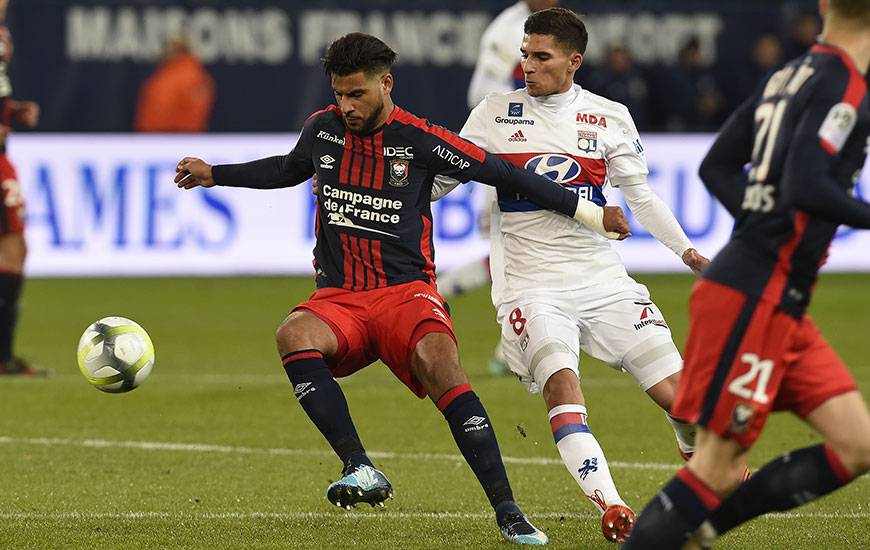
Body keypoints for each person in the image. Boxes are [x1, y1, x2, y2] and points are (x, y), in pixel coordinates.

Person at [174, 32, 630, 545]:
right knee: (293, 333)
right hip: (340, 297)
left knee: (443, 367)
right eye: (339, 94)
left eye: (357, 94)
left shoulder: (421, 140)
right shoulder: (322, 131)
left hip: (406, 294)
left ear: (385, 83)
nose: (345, 106)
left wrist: (592, 213)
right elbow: (286, 169)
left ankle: (508, 510)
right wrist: (216, 173)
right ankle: (359, 466)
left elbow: (505, 172)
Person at [433, 7, 710, 543]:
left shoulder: (609, 116)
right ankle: (611, 505)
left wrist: (687, 251)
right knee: (562, 385)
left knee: (683, 401)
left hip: (603, 280)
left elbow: (641, 198)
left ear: (573, 61)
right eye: (524, 56)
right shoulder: (493, 113)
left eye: (541, 57)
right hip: (530, 287)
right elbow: (443, 182)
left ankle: (697, 456)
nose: (528, 67)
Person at [624, 0, 870, 547]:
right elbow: (808, 185)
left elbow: (716, 165)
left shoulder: (788, 73)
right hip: (754, 293)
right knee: (716, 465)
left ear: (825, 6)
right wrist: (775, 226)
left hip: (777, 295)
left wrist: (762, 217)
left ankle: (701, 532)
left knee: (856, 444)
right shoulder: (846, 84)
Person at [440, 0, 559, 376]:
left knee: (520, 251)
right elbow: (483, 95)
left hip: (527, 148)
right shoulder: (509, 29)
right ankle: (436, 296)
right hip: (507, 152)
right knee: (517, 250)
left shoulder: (542, 23)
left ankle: (507, 350)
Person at [0, 0, 41, 377]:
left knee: (13, 249)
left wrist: (12, 111)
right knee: (13, 250)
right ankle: (2, 359)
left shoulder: (4, 34)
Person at [134, 35, 215, 132]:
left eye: (169, 49)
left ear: (179, 50)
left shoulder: (192, 77)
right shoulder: (168, 73)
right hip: (161, 136)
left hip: (173, 137)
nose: (164, 53)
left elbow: (195, 113)